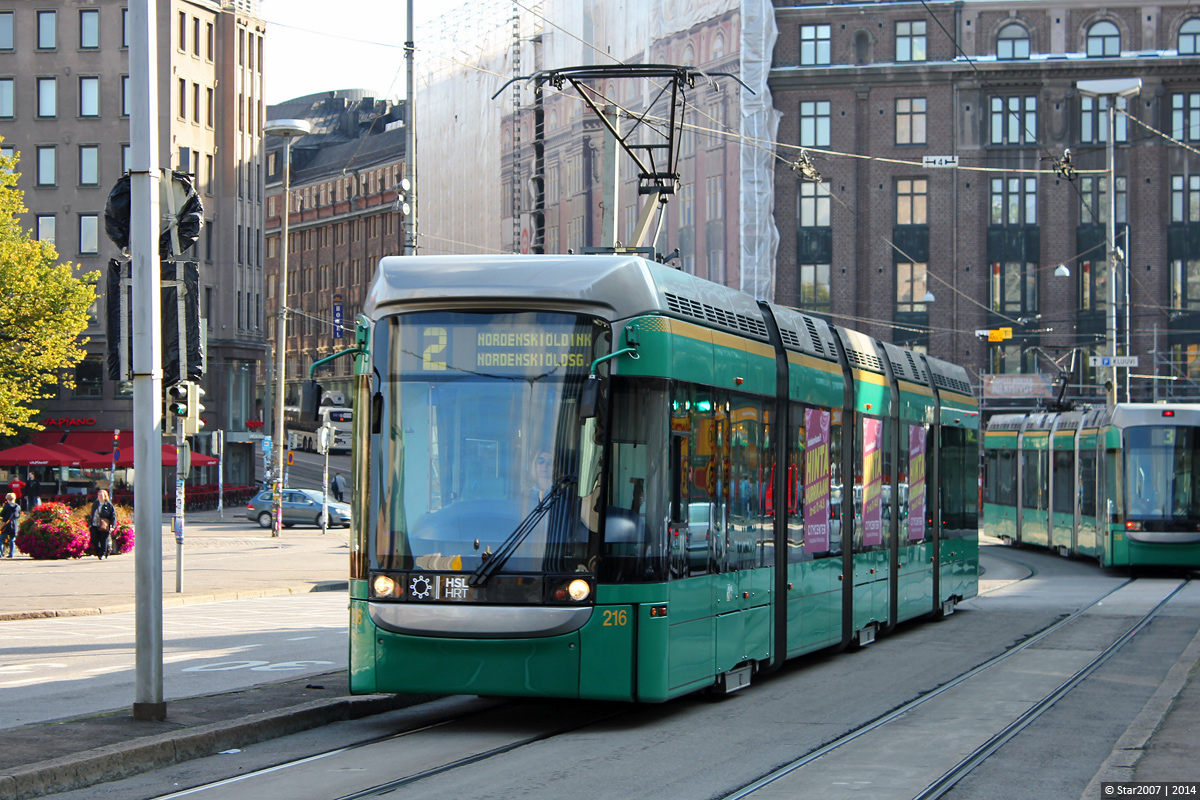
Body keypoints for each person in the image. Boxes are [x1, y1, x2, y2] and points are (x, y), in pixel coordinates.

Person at [88, 489, 117, 560]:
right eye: (99, 495)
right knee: (94, 539)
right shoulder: (96, 504)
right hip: (95, 524)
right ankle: (98, 551)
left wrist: (113, 525)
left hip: (104, 524)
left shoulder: (108, 504)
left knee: (103, 539)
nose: (100, 497)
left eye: (102, 495)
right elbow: (92, 513)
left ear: (105, 496)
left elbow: (113, 515)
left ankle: (102, 553)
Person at [0, 492, 18, 559]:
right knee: (12, 539)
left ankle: (0, 553)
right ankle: (11, 553)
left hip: (5, 525)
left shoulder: (6, 506)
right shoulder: (17, 506)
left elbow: (2, 514)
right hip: (14, 524)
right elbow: (17, 515)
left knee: (1, 539)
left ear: (7, 499)